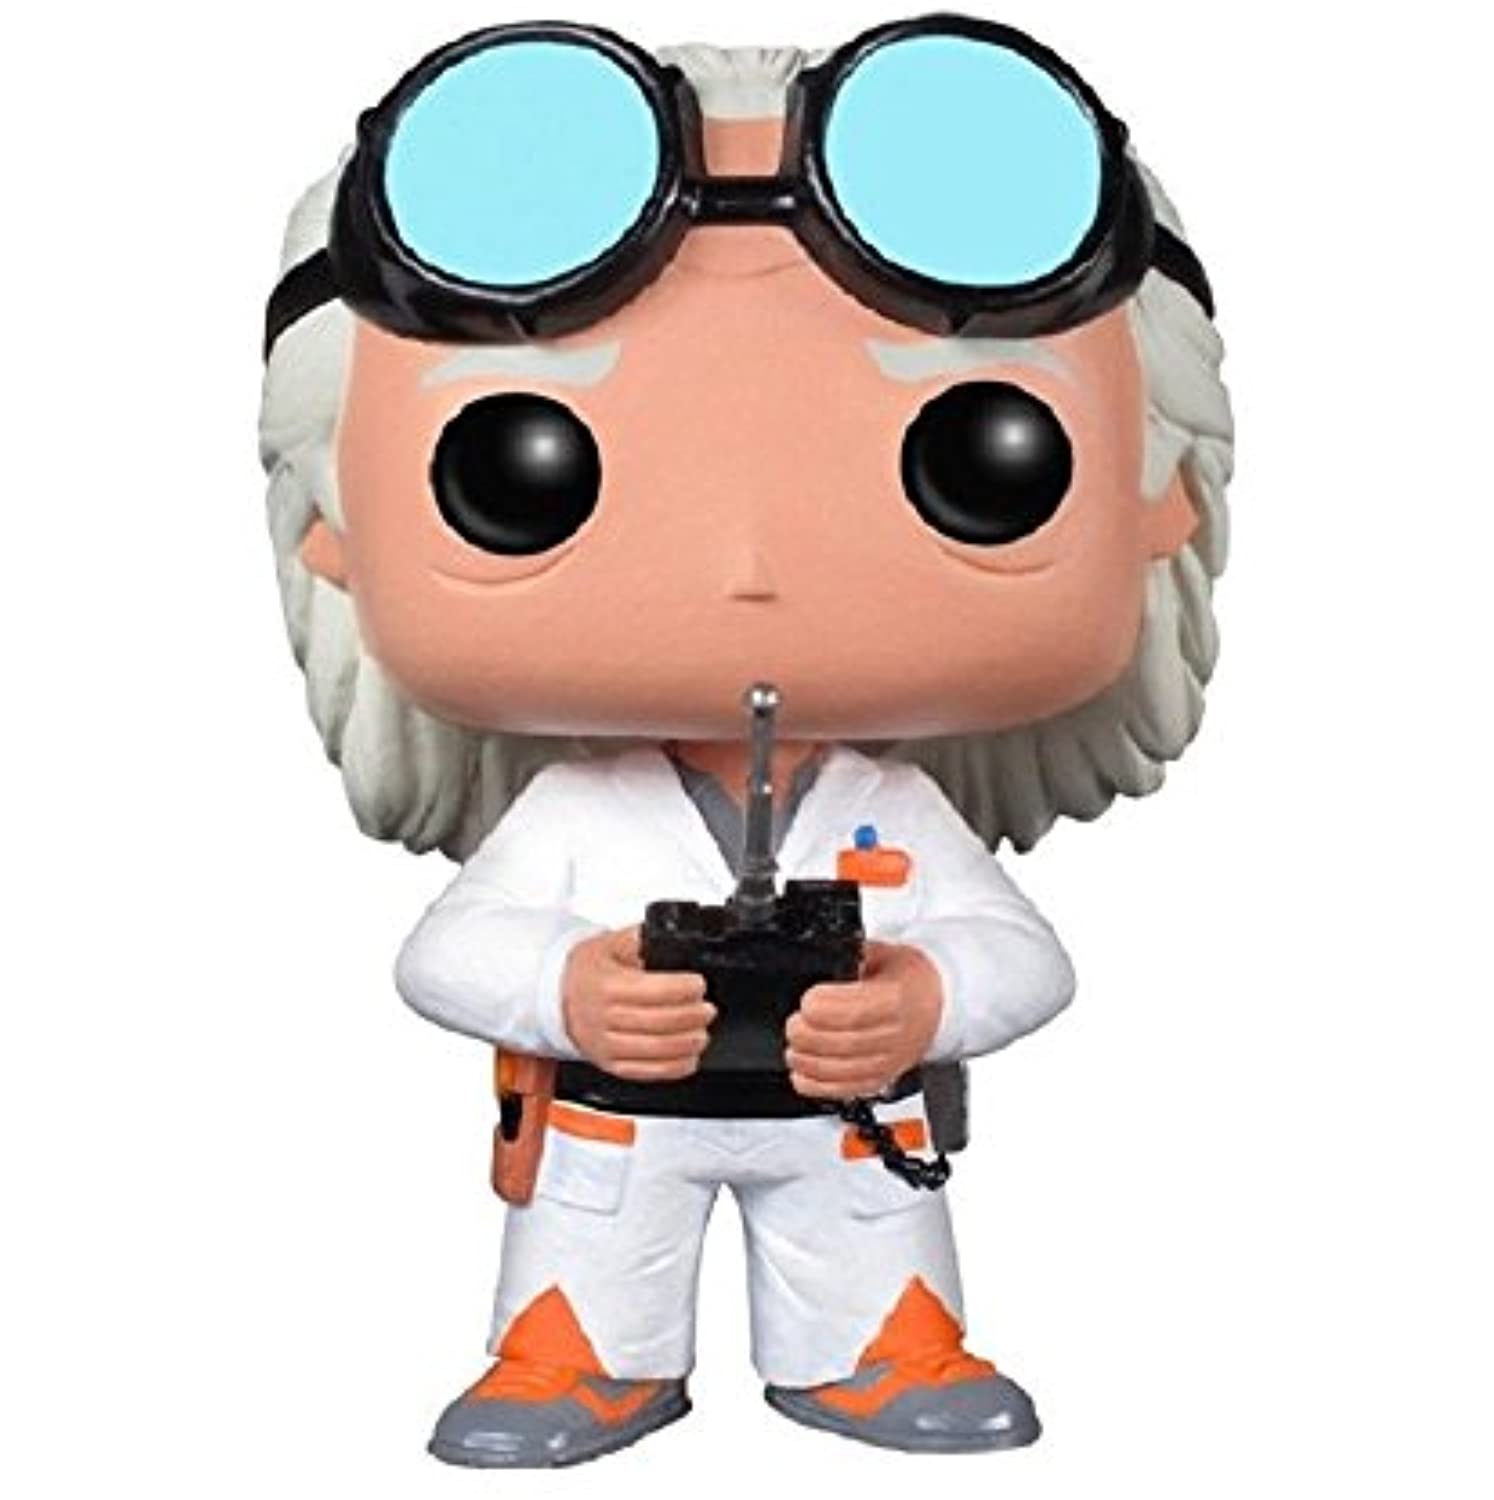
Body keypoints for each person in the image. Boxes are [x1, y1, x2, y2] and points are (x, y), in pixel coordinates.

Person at [259, 16, 1233, 1467]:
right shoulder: (577, 816)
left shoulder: (891, 805)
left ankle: (875, 1349)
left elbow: (1026, 960)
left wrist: (922, 999)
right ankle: (576, 1360)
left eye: (983, 456)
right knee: (593, 1268)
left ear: (1161, 502)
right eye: (517, 468)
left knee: (871, 1255)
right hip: (618, 1124)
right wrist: (568, 990)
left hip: (843, 1125)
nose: (748, 563)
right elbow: (442, 958)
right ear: (333, 527)